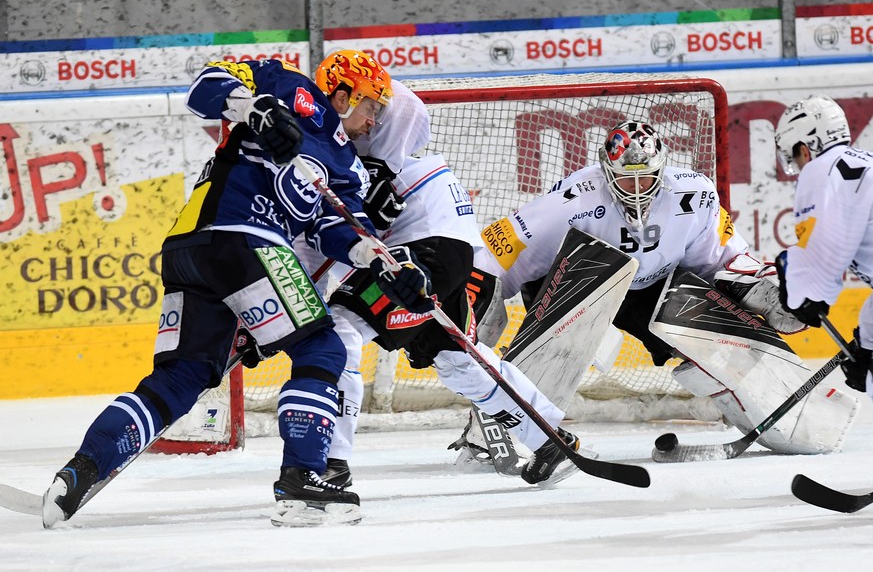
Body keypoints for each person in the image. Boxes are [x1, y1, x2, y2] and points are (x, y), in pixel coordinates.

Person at [41, 52, 433, 528]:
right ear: (344, 92)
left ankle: (80, 472)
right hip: (240, 237)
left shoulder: (348, 167)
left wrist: (392, 269)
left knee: (180, 379)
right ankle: (303, 478)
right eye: (373, 104)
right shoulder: (285, 82)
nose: (375, 120)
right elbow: (204, 87)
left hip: (192, 251)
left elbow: (341, 230)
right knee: (321, 346)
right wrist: (251, 108)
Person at [461, 120, 858, 456]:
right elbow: (498, 251)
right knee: (566, 342)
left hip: (648, 288)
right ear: (606, 172)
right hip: (574, 283)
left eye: (646, 178)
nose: (636, 189)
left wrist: (768, 291)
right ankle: (493, 436)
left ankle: (801, 422)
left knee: (720, 329)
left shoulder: (694, 195)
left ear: (663, 169)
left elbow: (725, 258)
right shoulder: (573, 198)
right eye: (625, 179)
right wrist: (477, 301)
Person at [309, 71, 579, 489]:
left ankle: (331, 463)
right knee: (459, 361)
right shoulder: (331, 139)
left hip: (427, 247)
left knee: (337, 333)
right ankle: (550, 439)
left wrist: (380, 165)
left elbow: (407, 108)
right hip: (446, 248)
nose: (373, 119)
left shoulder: (361, 105)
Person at [773, 94, 873, 400]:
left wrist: (805, 291)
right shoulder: (866, 160)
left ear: (805, 147)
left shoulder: (822, 170)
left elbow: (823, 245)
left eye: (796, 155)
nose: (800, 164)